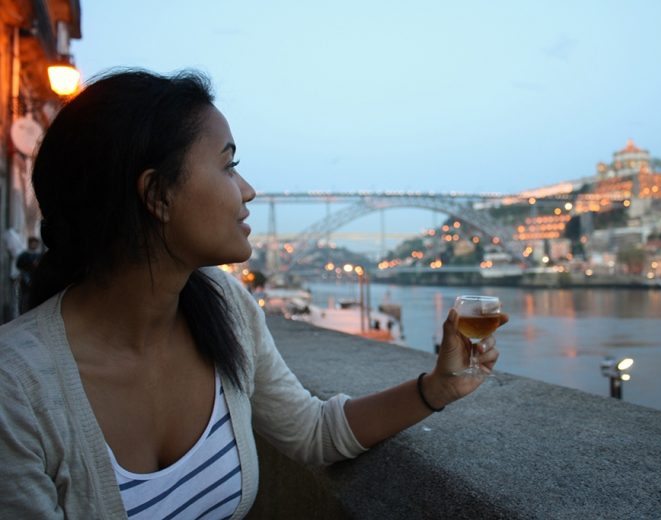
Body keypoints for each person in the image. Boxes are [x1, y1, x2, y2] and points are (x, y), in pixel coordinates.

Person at [0, 69, 506, 519]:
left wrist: (437, 387)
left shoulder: (225, 305)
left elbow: (313, 432)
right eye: (227, 166)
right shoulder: (16, 389)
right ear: (156, 195)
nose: (248, 190)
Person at [15, 236, 42, 313]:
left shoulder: (39, 255)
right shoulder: (24, 255)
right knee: (25, 299)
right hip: (26, 281)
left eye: (35, 244)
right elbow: (19, 265)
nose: (34, 245)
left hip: (36, 281)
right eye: (33, 243)